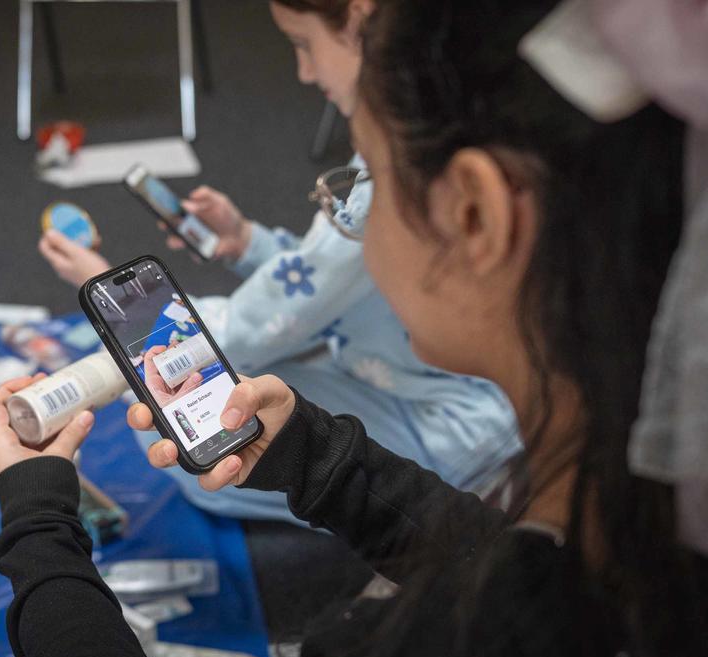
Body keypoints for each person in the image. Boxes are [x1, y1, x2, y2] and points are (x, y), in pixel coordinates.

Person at [0, 0, 708, 657]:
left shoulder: (436, 642)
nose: (343, 219)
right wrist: (316, 457)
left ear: (475, 215)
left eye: (359, 189)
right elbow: (481, 557)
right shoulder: (612, 550)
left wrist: (38, 523)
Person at [39, 0, 520, 524]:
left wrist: (125, 304)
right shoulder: (430, 130)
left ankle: (446, 498)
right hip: (430, 383)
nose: (304, 72)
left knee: (186, 435)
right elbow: (324, 276)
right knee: (220, 402)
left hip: (455, 423)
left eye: (304, 44)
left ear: (361, 20)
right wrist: (249, 244)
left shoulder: (391, 171)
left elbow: (279, 309)